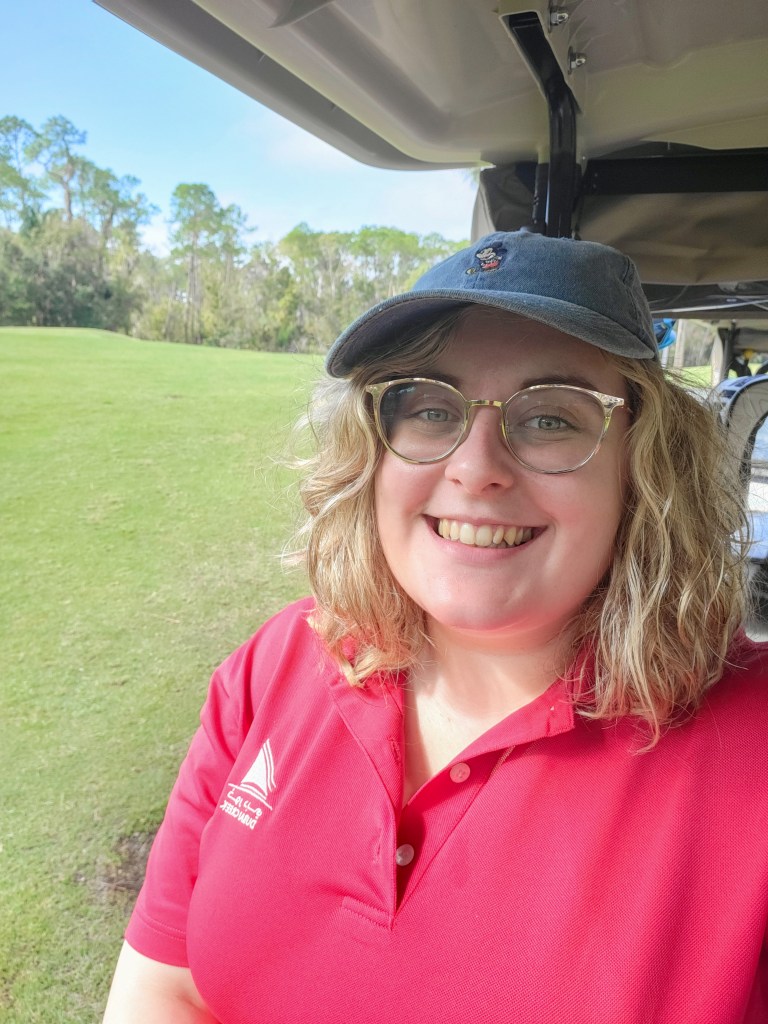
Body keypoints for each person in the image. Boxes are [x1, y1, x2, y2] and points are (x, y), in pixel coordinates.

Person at [103, 231, 768, 1024]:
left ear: (645, 465)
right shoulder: (274, 666)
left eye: (551, 417)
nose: (476, 464)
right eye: (427, 407)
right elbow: (166, 986)